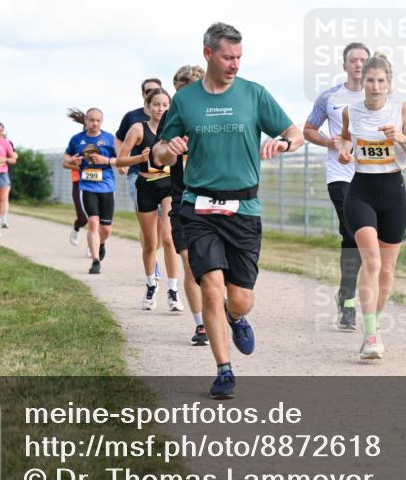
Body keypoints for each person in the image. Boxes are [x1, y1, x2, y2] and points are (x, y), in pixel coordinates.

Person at [155, 22, 303, 399]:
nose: (235, 64)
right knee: (210, 285)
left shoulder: (254, 94)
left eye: (239, 57)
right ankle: (224, 370)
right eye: (227, 57)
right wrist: (168, 149)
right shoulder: (185, 101)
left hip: (244, 209)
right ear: (208, 54)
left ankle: (234, 316)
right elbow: (158, 151)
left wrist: (283, 144)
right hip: (198, 207)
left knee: (240, 298)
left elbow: (295, 133)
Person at [337, 53, 406, 359]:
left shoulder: (401, 109)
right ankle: (371, 336)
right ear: (362, 82)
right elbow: (345, 140)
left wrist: (400, 138)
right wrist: (344, 151)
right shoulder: (351, 111)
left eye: (381, 81)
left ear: (389, 83)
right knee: (372, 262)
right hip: (361, 192)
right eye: (370, 80)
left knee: (387, 270)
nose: (375, 86)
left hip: (394, 194)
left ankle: (374, 325)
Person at [304, 42, 370, 331]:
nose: (358, 64)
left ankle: (347, 295)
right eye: (353, 60)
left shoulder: (378, 96)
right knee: (355, 233)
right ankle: (349, 304)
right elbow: (308, 129)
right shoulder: (329, 97)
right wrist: (328, 142)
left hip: (371, 176)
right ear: (345, 65)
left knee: (355, 239)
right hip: (340, 176)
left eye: (363, 60)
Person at [115, 86, 182, 309]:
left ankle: (173, 290)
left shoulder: (175, 128)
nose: (160, 109)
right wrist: (139, 159)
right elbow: (120, 160)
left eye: (165, 105)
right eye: (156, 104)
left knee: (169, 238)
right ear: (147, 106)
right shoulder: (138, 129)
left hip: (168, 186)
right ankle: (151, 284)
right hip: (145, 186)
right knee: (150, 243)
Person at [170, 64, 208, 345]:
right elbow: (161, 156)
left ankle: (223, 308)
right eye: (180, 93)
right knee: (189, 263)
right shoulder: (172, 122)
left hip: (213, 199)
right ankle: (201, 325)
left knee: (216, 268)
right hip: (181, 199)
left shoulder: (214, 120)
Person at [64, 108, 117, 274]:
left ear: (102, 121)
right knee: (93, 222)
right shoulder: (77, 139)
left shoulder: (110, 139)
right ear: (86, 121)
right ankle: (95, 261)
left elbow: (120, 159)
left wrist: (106, 160)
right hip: (87, 186)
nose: (95, 123)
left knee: (106, 229)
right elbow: (65, 159)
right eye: (91, 120)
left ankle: (100, 243)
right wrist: (72, 160)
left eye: (98, 120)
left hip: (107, 186)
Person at [65, 109, 90, 251]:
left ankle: (92, 246)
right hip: (78, 183)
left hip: (96, 183)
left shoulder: (101, 143)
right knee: (83, 218)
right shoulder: (76, 143)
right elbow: (65, 163)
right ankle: (76, 227)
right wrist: (78, 165)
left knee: (95, 217)